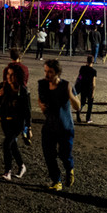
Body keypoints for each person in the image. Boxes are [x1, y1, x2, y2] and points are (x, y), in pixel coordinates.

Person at [37, 59, 80, 191]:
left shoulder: (66, 85)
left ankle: (69, 168)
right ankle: (57, 181)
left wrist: (69, 94)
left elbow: (77, 107)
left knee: (64, 155)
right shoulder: (43, 85)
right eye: (45, 71)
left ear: (57, 73)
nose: (47, 74)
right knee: (49, 155)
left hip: (65, 127)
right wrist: (40, 104)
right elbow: (42, 102)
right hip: (49, 126)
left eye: (50, 72)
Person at [0, 63, 30, 181]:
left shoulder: (23, 91)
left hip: (17, 123)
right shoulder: (5, 86)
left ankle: (7, 171)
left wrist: (28, 128)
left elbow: (27, 111)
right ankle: (22, 166)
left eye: (12, 75)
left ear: (18, 76)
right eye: (8, 74)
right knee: (12, 145)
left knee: (6, 143)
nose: (9, 77)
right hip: (6, 121)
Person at [74, 55, 97, 124]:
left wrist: (77, 84)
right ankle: (88, 118)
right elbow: (94, 83)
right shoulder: (93, 71)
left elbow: (79, 77)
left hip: (83, 87)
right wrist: (93, 92)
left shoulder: (82, 68)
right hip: (89, 88)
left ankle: (78, 110)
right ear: (92, 62)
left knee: (82, 102)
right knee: (90, 104)